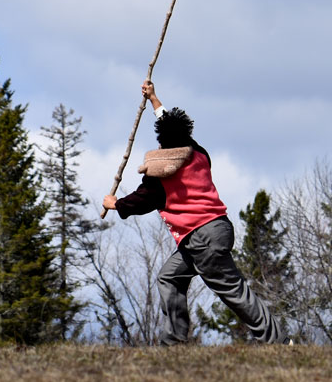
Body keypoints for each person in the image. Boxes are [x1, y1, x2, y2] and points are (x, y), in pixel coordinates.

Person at [103, 80, 286, 345]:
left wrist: (115, 203)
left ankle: (278, 341)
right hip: (214, 230)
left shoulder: (164, 174)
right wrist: (154, 100)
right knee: (170, 277)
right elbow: (172, 127)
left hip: (202, 238)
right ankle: (173, 343)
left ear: (163, 140)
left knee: (233, 291)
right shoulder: (199, 153)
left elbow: (141, 201)